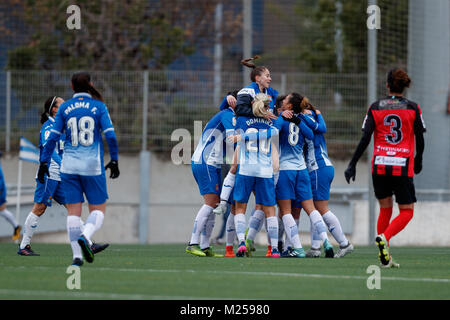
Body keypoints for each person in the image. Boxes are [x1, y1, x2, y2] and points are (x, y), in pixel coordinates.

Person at [345, 68, 425, 268]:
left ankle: (385, 255)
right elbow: (421, 138)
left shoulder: (376, 106)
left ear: (387, 85)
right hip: (401, 165)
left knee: (385, 209)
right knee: (407, 211)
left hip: (379, 164)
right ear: (404, 86)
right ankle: (384, 238)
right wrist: (419, 159)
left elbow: (365, 138)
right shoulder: (413, 108)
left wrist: (353, 163)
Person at [38, 72, 119, 267]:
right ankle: (86, 236)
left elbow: (52, 139)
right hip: (92, 165)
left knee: (73, 212)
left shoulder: (65, 108)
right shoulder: (99, 106)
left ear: (72, 87)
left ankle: (76, 257)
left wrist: (43, 162)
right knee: (98, 210)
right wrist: (114, 160)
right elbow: (111, 136)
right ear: (90, 84)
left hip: (69, 166)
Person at [18, 96, 109, 256]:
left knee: (73, 207)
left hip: (59, 176)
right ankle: (24, 246)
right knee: (39, 208)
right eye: (61, 103)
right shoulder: (48, 127)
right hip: (49, 175)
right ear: (54, 109)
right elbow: (49, 150)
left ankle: (89, 243)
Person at [228, 93, 281, 258]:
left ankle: (242, 243)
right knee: (270, 210)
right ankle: (275, 249)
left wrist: (241, 136)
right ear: (267, 107)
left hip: (246, 170)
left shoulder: (242, 120)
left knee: (240, 208)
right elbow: (268, 132)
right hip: (265, 171)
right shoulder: (272, 122)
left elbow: (237, 121)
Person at [299, 97, 353, 258]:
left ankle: (344, 243)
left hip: (318, 168)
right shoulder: (311, 116)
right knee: (315, 209)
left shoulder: (305, 118)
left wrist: (312, 114)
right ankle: (315, 248)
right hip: (324, 166)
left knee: (321, 209)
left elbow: (320, 128)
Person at [186, 95, 236, 257]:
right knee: (211, 203)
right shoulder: (228, 115)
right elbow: (232, 138)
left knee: (214, 205)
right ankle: (193, 243)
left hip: (210, 163)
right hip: (206, 161)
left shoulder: (225, 113)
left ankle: (205, 246)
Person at [0, 152, 21, 241]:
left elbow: (1, 182)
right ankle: (16, 226)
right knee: (2, 211)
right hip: (1, 190)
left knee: (2, 210)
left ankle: (16, 226)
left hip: (0, 191)